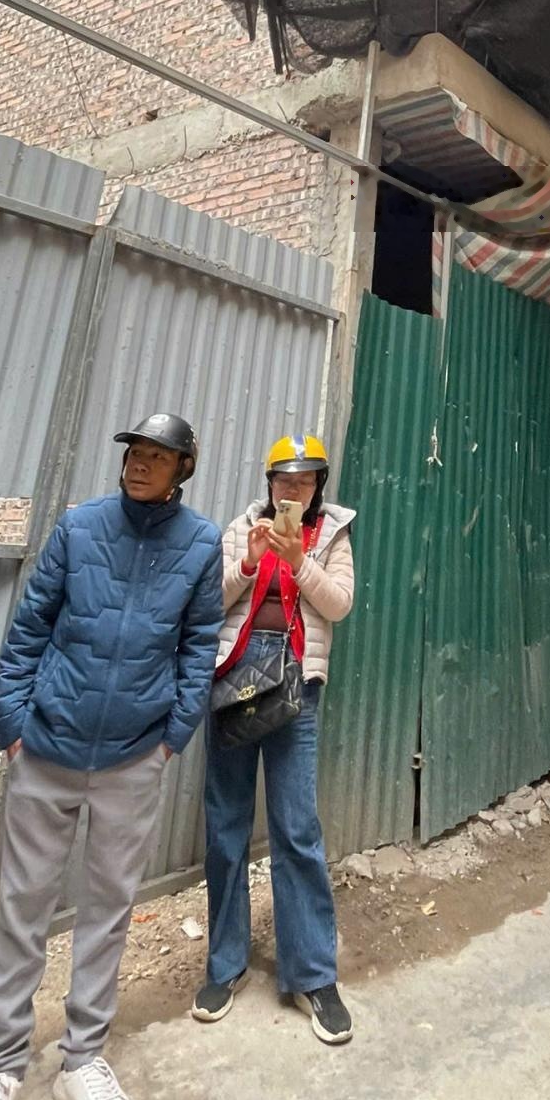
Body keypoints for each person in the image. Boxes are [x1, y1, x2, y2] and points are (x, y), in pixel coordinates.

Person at [0, 411, 223, 1100]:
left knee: (107, 911)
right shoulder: (80, 526)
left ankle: (82, 1060)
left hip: (134, 756)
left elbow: (200, 642)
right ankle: (1, 1069)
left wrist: (172, 735)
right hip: (49, 746)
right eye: (134, 452)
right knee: (22, 908)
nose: (140, 464)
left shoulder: (201, 544)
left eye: (157, 455)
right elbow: (29, 626)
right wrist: (13, 723)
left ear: (183, 467)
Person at [192, 432, 356, 1046]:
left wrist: (298, 561)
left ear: (318, 486)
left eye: (305, 480)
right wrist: (250, 563)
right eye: (285, 479)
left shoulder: (333, 535)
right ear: (269, 483)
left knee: (297, 829)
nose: (294, 489)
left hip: (295, 687)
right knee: (226, 825)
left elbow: (338, 606)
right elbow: (208, 605)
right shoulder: (242, 529)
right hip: (234, 681)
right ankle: (225, 966)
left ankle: (313, 975)